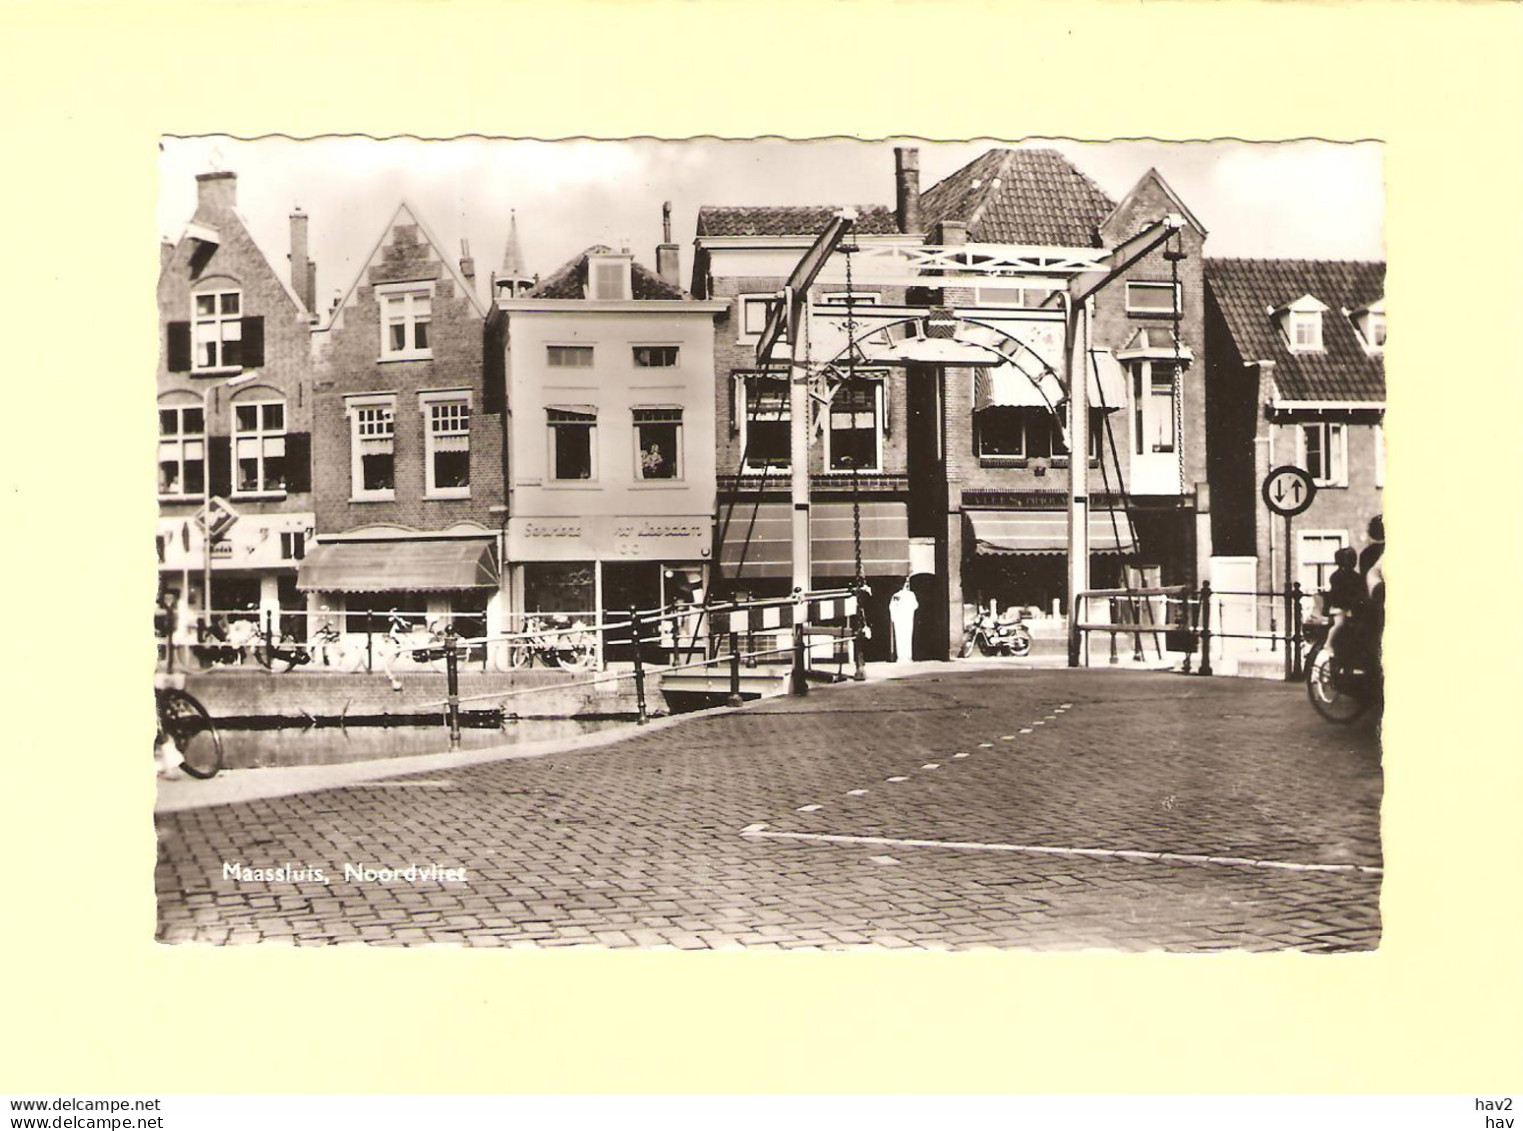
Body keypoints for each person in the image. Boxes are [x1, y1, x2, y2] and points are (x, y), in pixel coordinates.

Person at [1322, 546, 1365, 667]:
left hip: (1350, 608)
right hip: (1339, 607)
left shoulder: (1355, 577)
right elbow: (1338, 594)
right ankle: (1328, 643)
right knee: (1339, 623)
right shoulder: (1337, 576)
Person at [889, 577, 919, 663]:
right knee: (903, 637)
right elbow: (893, 606)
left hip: (905, 618)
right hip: (903, 618)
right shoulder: (898, 595)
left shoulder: (908, 595)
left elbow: (915, 605)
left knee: (904, 637)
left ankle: (906, 656)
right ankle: (903, 656)